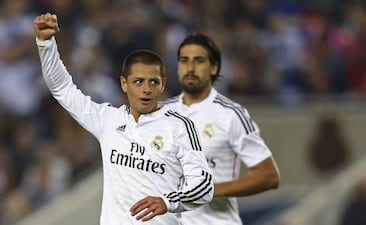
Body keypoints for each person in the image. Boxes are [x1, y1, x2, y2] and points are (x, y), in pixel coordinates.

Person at [33, 13, 213, 225]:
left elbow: (204, 186)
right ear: (124, 84)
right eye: (138, 81)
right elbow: (62, 89)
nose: (146, 89)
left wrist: (168, 201)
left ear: (163, 84)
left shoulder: (179, 127)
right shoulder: (108, 121)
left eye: (153, 82)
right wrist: (45, 43)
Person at [160, 33, 281, 225]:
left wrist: (211, 190)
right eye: (184, 61)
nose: (190, 68)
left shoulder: (231, 114)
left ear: (214, 67)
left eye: (198, 61)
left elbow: (268, 176)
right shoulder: (160, 112)